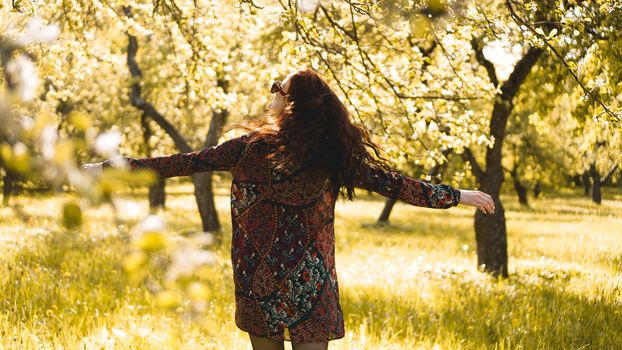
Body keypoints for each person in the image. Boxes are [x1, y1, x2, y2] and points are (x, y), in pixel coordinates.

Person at [81, 68, 495, 350]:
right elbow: (397, 185)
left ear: (289, 100)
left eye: (277, 88)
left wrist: (110, 168)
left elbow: (180, 163)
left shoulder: (249, 149)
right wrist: (457, 196)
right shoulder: (331, 152)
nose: (271, 94)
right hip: (309, 281)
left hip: (259, 275)